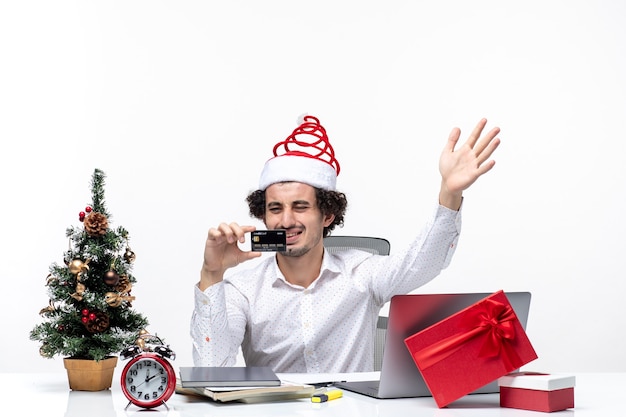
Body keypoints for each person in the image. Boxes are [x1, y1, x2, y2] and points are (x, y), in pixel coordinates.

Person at [190, 115, 500, 373]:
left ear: (327, 215)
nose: (286, 221)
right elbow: (211, 368)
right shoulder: (241, 290)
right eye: (275, 209)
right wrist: (212, 273)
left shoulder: (362, 273)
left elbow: (425, 261)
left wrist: (449, 192)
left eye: (300, 207)